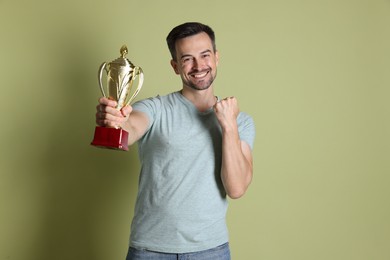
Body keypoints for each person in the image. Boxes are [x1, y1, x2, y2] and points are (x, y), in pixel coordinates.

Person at [95, 22, 255, 260]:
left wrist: (228, 125)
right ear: (175, 66)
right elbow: (130, 126)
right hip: (150, 250)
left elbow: (236, 188)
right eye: (187, 58)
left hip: (211, 251)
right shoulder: (155, 108)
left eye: (205, 55)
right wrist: (114, 120)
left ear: (216, 58)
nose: (199, 65)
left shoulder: (240, 121)